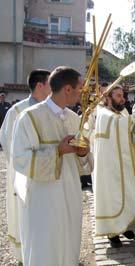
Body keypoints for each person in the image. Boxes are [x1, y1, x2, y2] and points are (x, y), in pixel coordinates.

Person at [12, 66, 89, 266]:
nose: (83, 93)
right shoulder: (29, 117)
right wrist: (57, 151)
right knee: (44, 245)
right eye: (80, 88)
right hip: (42, 197)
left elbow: (84, 165)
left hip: (70, 191)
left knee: (68, 241)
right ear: (67, 89)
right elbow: (19, 158)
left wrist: (83, 153)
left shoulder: (74, 119)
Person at [0, 69, 50, 262]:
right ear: (40, 86)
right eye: (49, 83)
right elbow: (6, 140)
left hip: (47, 173)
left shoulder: (50, 108)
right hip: (25, 173)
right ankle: (26, 256)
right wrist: (25, 164)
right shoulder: (17, 111)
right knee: (25, 214)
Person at [93, 85, 135, 248]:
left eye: (122, 95)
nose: (122, 99)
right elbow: (118, 125)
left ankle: (125, 226)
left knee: (126, 193)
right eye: (118, 96)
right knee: (112, 197)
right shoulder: (103, 114)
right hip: (109, 166)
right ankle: (112, 233)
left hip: (124, 161)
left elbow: (128, 128)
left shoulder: (122, 112)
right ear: (108, 98)